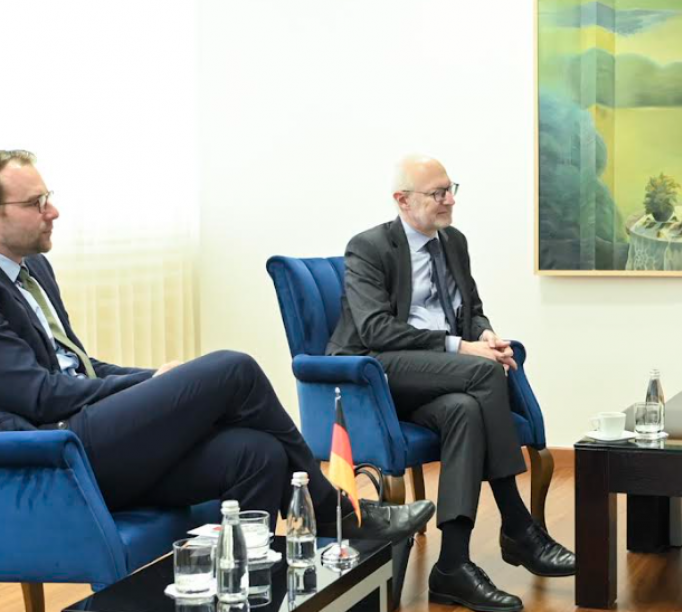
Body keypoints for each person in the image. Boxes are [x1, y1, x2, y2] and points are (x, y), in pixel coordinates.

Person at [0, 149, 434, 540]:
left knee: (259, 454)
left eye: (48, 197)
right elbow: (40, 395)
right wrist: (147, 385)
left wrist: (153, 379)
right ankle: (333, 510)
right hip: (57, 451)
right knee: (233, 368)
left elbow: (80, 365)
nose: (53, 211)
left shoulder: (35, 270)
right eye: (35, 203)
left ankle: (245, 585)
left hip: (95, 433)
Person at [327, 155, 575, 612]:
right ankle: (518, 525)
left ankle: (452, 567)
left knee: (464, 409)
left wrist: (485, 335)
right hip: (377, 370)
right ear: (402, 200)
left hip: (438, 373)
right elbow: (375, 330)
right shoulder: (368, 247)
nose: (450, 200)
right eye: (437, 193)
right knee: (485, 371)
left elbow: (471, 309)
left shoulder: (453, 242)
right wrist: (461, 348)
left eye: (450, 189)